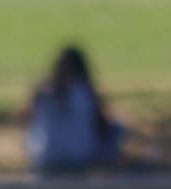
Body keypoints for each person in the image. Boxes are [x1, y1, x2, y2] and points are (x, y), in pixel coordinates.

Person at [23, 45, 124, 174]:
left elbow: (24, 119)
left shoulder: (42, 91)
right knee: (115, 130)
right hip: (77, 159)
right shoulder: (85, 92)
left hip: (43, 158)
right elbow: (101, 127)